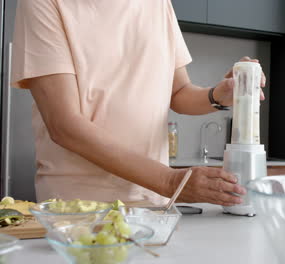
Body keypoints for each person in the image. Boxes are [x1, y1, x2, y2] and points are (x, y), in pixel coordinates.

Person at [11, 0, 266, 205]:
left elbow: (178, 92)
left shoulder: (158, 4)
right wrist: (170, 181)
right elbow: (64, 125)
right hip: (78, 206)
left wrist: (218, 95)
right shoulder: (42, 3)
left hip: (153, 202)